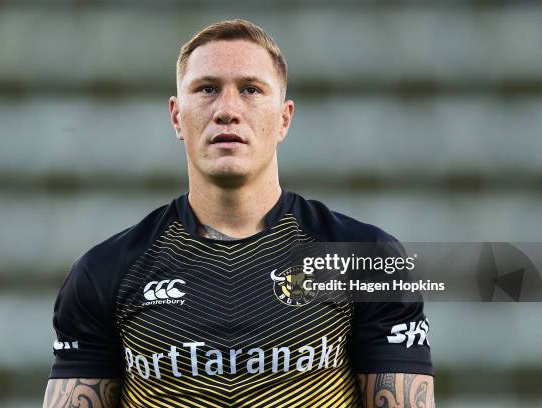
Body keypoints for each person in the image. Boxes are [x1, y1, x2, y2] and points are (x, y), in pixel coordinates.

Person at [43, 19, 434, 408]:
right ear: (177, 116)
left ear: (284, 118)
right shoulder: (104, 271)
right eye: (207, 89)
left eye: (250, 89)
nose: (227, 110)